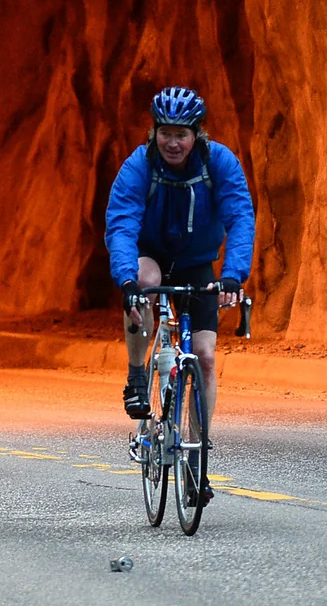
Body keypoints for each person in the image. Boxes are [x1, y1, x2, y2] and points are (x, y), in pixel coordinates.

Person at [104, 84, 253, 502]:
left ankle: (196, 455)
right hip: (151, 256)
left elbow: (240, 216)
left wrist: (232, 276)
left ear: (197, 134)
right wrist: (126, 281)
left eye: (181, 133)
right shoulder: (139, 167)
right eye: (165, 132)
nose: (173, 142)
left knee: (205, 356)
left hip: (198, 262)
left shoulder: (218, 163)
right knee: (145, 283)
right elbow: (121, 224)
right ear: (153, 132)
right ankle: (138, 374)